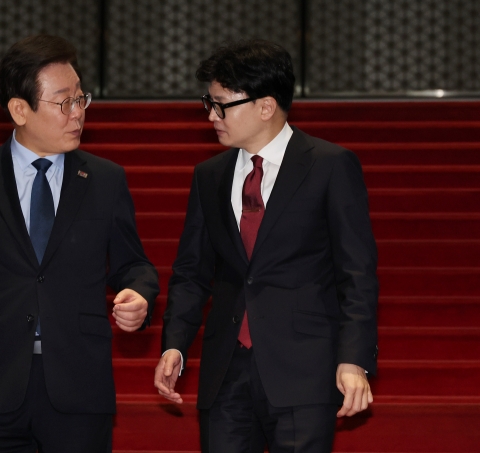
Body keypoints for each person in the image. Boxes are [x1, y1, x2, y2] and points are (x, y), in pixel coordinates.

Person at [0, 34, 159, 452]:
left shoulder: (105, 180)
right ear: (19, 109)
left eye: (81, 99)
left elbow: (135, 265)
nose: (77, 113)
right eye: (64, 102)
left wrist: (140, 293)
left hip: (78, 387)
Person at [154, 39, 378, 453]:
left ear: (265, 106)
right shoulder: (210, 175)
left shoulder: (330, 166)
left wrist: (354, 359)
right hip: (226, 371)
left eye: (221, 104)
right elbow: (192, 270)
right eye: (209, 101)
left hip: (304, 370)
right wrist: (175, 343)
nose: (211, 114)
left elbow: (357, 274)